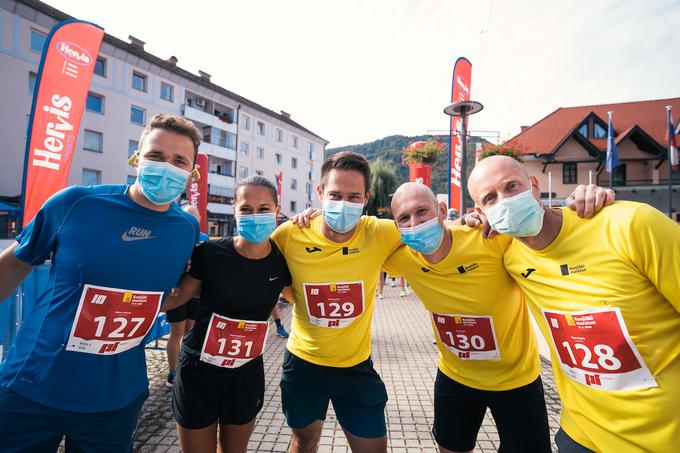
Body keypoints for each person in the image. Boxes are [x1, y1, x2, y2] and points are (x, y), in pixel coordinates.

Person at [0, 114, 202, 452]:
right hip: (32, 388)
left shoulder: (185, 230)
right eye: (155, 156)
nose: (166, 166)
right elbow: (13, 266)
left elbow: (164, 296)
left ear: (190, 173)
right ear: (137, 159)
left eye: (179, 160)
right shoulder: (75, 203)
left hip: (115, 401)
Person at [468, 155, 680, 452]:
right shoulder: (510, 258)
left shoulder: (631, 224)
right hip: (580, 436)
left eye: (512, 187)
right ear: (482, 212)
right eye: (490, 199)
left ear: (534, 186)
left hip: (665, 438)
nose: (505, 202)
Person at [384, 182, 552, 453]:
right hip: (455, 379)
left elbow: (544, 232)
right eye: (404, 218)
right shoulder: (403, 259)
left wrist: (588, 200)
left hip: (517, 380)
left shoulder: (490, 239)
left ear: (440, 210)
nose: (414, 223)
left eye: (422, 212)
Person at [272, 151, 402, 453]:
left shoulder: (380, 232)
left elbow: (432, 235)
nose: (343, 204)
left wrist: (471, 219)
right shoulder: (291, 234)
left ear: (367, 197)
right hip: (304, 364)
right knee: (304, 442)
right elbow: (263, 271)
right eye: (335, 194)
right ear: (319, 193)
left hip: (355, 367)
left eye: (353, 196)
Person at [162, 175, 292, 453]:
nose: (254, 216)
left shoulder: (284, 261)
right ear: (234, 210)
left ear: (277, 211)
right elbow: (178, 296)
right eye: (245, 209)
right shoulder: (209, 253)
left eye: (263, 209)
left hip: (246, 374)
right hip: (199, 370)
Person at [165, 205, 206, 387]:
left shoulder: (204, 239)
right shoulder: (173, 237)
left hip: (195, 295)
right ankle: (173, 373)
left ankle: (186, 367)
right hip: (176, 294)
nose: (192, 221)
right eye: (188, 216)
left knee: (189, 333)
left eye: (195, 218)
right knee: (177, 333)